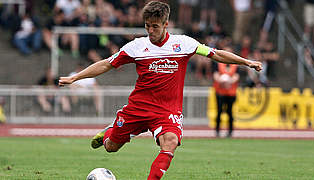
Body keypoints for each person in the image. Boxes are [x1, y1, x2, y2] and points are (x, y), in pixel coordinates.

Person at [59, 1, 262, 179]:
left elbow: (216, 54)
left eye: (155, 26)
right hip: (138, 108)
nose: (150, 31)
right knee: (111, 147)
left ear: (166, 24)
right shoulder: (136, 47)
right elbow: (106, 64)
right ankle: (108, 134)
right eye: (147, 26)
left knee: (170, 142)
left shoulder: (184, 43)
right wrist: (75, 77)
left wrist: (246, 62)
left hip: (167, 110)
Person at [213, 46, 239, 138]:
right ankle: (217, 131)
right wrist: (222, 81)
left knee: (230, 112)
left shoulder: (235, 64)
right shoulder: (218, 63)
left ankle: (230, 131)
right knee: (219, 111)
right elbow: (215, 75)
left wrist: (229, 82)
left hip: (231, 92)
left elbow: (236, 76)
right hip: (220, 91)